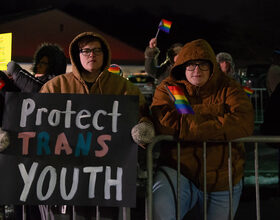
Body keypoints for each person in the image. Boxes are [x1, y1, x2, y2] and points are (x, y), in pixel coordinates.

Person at [39, 32, 154, 218]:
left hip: (107, 177)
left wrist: (143, 128)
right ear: (77, 55)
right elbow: (36, 122)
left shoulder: (124, 88)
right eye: (86, 51)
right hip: (65, 176)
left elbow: (142, 116)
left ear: (105, 54)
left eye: (97, 50)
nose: (92, 55)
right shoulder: (56, 86)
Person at [150, 39, 254, 220]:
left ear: (212, 67)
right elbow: (164, 123)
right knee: (159, 210)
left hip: (223, 176)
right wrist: (217, 120)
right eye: (190, 65)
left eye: (202, 65)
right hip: (179, 170)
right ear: (182, 66)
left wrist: (185, 123)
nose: (196, 70)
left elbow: (243, 122)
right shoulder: (170, 87)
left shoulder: (230, 87)